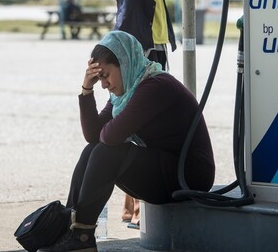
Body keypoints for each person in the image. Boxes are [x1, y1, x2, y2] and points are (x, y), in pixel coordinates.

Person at [105, 0, 220, 226]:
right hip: (132, 42)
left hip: (156, 40)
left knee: (149, 120)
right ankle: (131, 205)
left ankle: (135, 204)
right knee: (127, 116)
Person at [40, 31, 215, 252]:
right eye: (99, 78)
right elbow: (93, 136)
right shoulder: (127, 92)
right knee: (92, 149)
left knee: (106, 152)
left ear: (124, 63)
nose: (104, 84)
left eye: (105, 76)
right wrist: (87, 89)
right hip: (165, 168)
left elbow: (111, 137)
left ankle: (81, 236)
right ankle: (70, 229)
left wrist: (109, 128)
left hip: (189, 175)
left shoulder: (155, 86)